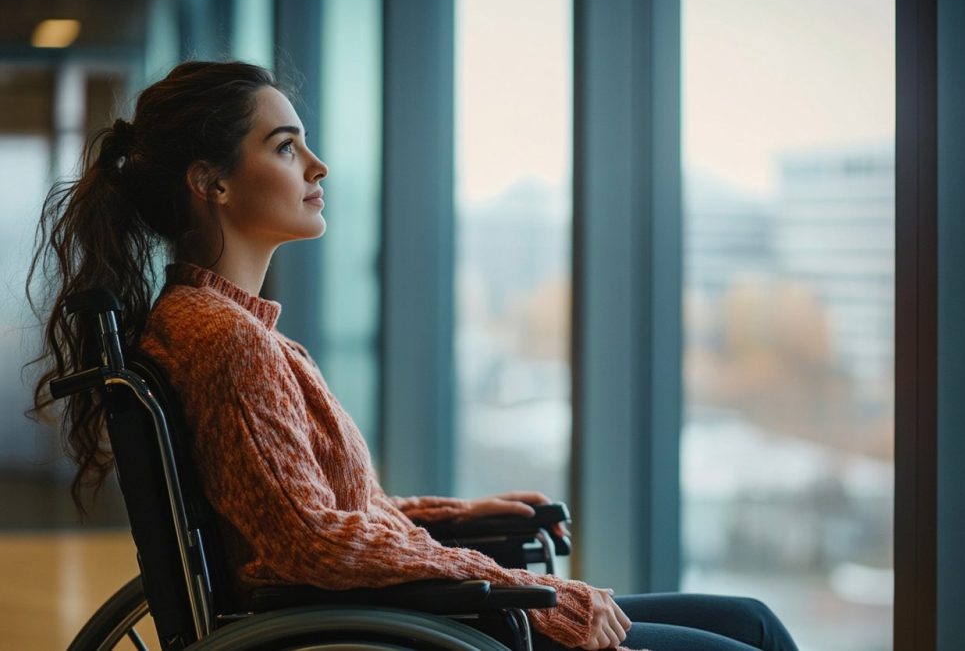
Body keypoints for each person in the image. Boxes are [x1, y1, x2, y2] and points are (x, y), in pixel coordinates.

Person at [29, 60, 798, 651]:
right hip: (390, 625)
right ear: (213, 183)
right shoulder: (225, 340)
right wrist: (524, 588)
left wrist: (457, 517)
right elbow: (312, 542)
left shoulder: (216, 326)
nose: (317, 168)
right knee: (748, 635)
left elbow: (313, 515)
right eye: (287, 147)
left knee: (749, 618)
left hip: (393, 610)